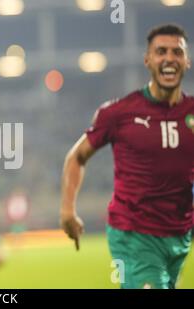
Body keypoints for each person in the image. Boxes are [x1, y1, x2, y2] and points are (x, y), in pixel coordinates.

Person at [60, 24, 194, 289]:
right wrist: (67, 210)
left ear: (186, 61)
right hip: (134, 232)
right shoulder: (120, 113)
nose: (169, 58)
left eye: (177, 52)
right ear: (148, 60)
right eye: (161, 52)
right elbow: (77, 157)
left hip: (179, 235)